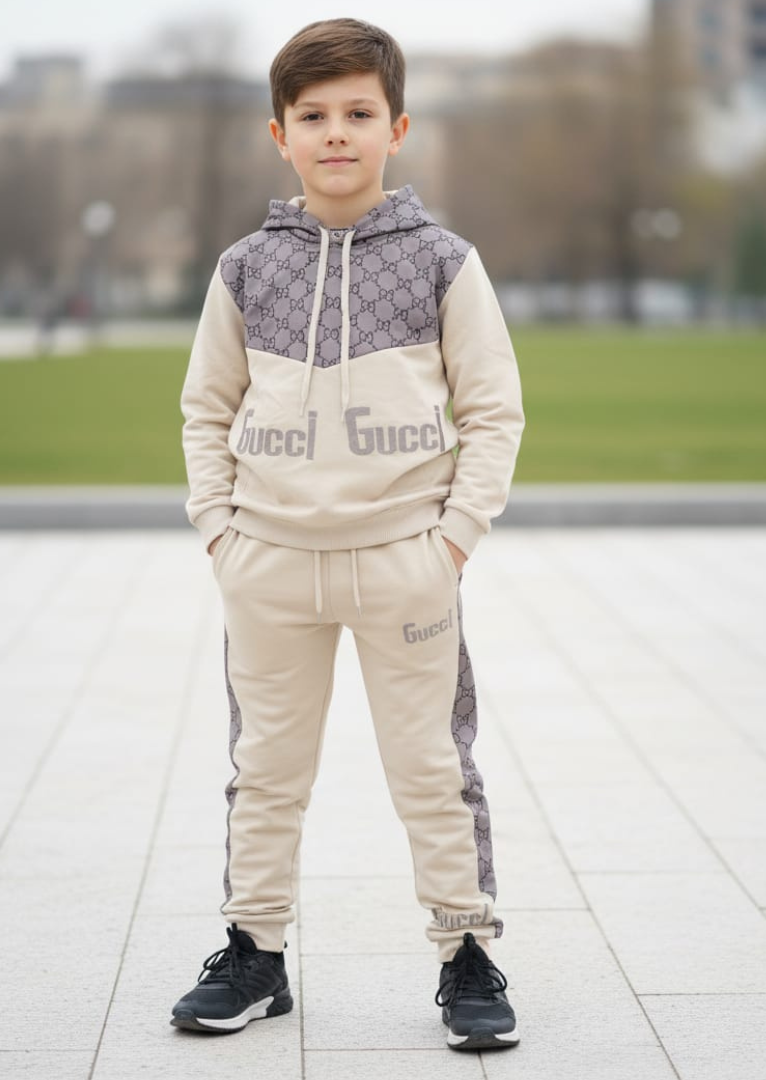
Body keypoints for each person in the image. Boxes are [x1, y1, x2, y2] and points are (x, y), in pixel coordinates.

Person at [171, 18, 525, 1052]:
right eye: (313, 116)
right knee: (265, 769)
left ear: (396, 128)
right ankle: (254, 950)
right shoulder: (245, 268)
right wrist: (220, 532)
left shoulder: (444, 263)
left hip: (406, 565)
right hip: (269, 565)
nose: (336, 133)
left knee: (433, 769)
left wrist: (452, 540)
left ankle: (466, 953)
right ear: (279, 134)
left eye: (359, 113)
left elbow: (493, 411)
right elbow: (205, 407)